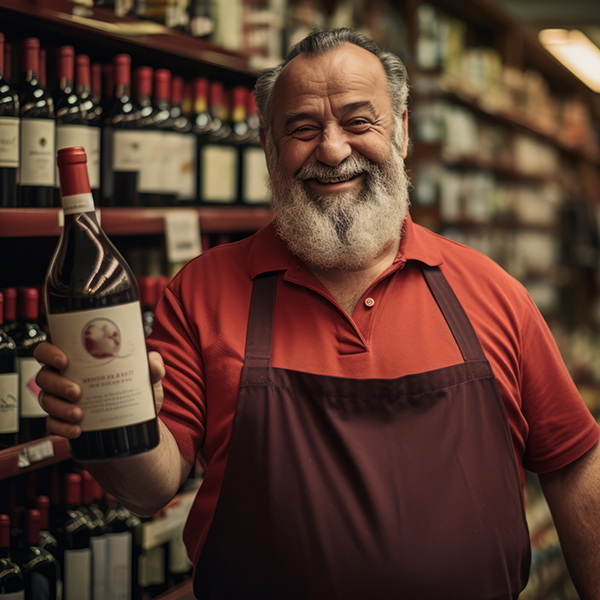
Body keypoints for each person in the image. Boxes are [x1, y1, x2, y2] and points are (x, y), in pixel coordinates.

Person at [35, 28, 600, 599]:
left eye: (359, 122)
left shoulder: (492, 291)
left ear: (401, 130)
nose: (332, 151)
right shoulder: (201, 293)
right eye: (303, 129)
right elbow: (149, 488)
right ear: (267, 145)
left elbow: (573, 463)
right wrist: (106, 423)